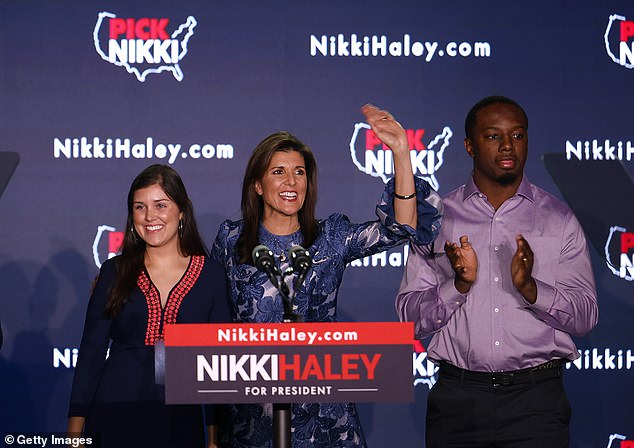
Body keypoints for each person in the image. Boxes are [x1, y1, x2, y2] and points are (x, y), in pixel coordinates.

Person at [211, 104, 442, 447]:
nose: (291, 182)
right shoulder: (232, 239)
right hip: (253, 419)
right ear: (257, 185)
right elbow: (213, 325)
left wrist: (400, 152)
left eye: (299, 172)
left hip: (325, 421)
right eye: (278, 172)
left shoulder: (331, 237)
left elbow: (402, 227)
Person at [396, 96, 599, 447]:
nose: (508, 146)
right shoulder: (437, 219)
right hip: (458, 401)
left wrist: (532, 288)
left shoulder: (558, 219)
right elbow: (408, 322)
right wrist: (457, 285)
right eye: (492, 136)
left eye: (517, 135)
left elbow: (585, 317)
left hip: (536, 404)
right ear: (469, 146)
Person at [68, 164, 232, 448]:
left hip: (180, 420)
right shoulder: (113, 271)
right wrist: (74, 432)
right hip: (113, 413)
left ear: (182, 210)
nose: (150, 216)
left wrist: (214, 437)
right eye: (140, 207)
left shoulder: (212, 275)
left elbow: (219, 366)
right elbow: (92, 353)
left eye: (160, 205)